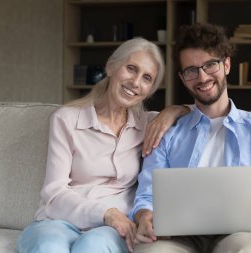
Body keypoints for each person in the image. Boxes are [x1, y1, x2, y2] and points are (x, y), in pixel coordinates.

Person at [130, 23, 251, 253]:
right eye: (191, 70)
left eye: (210, 65)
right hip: (178, 238)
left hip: (242, 234)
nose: (202, 77)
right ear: (183, 78)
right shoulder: (166, 132)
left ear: (227, 65)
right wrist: (145, 217)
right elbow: (146, 197)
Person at [17, 38, 190, 253]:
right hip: (60, 220)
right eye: (131, 69)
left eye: (147, 78)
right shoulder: (66, 119)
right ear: (111, 67)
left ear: (150, 90)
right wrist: (106, 213)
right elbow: (54, 192)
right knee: (49, 246)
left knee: (92, 246)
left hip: (111, 229)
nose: (135, 82)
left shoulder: (150, 125)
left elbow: (198, 113)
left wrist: (173, 110)